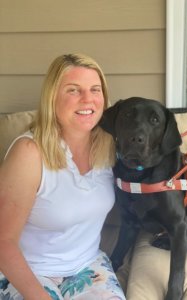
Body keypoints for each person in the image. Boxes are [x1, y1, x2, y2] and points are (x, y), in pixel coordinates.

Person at [0, 53, 126, 300]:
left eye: (95, 89)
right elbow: (3, 240)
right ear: (52, 98)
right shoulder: (29, 153)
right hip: (29, 271)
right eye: (73, 90)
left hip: (87, 265)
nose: (88, 99)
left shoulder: (110, 145)